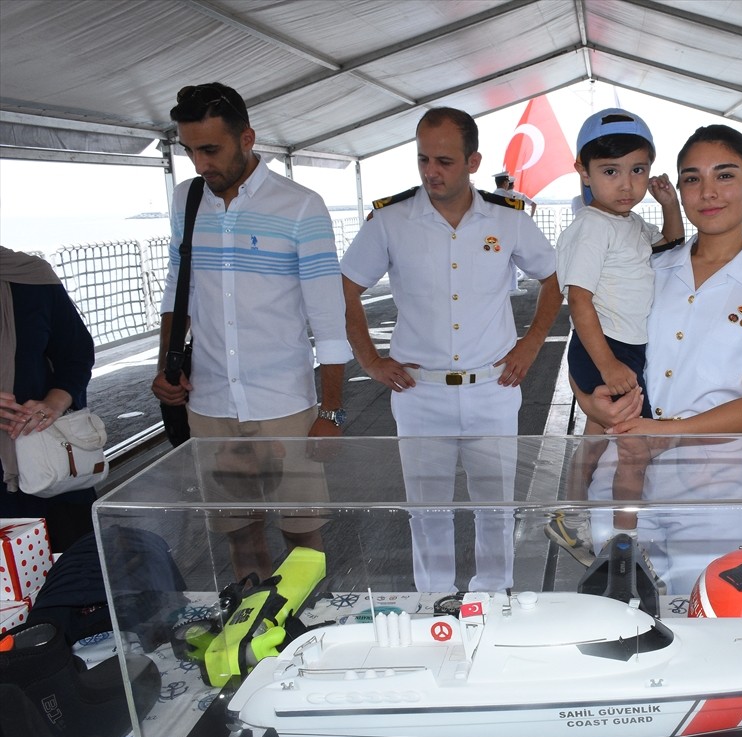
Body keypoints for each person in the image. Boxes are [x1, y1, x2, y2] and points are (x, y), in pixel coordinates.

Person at [565, 125, 742, 568]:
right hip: (620, 475)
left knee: (706, 606)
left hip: (716, 490)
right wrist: (591, 403)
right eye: (692, 178)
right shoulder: (648, 266)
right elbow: (588, 344)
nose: (708, 192)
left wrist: (660, 435)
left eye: (725, 175)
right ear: (679, 190)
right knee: (616, 604)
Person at [340, 106, 561, 593]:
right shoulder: (390, 220)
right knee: (427, 512)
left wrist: (531, 344)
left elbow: (553, 278)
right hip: (419, 393)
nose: (431, 172)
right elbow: (346, 286)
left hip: (492, 388)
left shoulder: (508, 219)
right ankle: (433, 604)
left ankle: (494, 600)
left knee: (496, 509)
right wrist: (370, 360)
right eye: (423, 159)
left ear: (473, 162)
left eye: (444, 161)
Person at [150, 83, 352, 581]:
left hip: (285, 403)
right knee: (238, 533)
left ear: (247, 139)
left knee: (303, 535)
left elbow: (329, 319)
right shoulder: (186, 200)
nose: (200, 164)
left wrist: (330, 412)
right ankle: (251, 622)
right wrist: (166, 365)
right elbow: (179, 287)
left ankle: (302, 623)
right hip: (210, 402)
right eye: (190, 150)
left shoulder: (301, 206)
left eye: (210, 149)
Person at [546, 108, 683, 553]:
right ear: (583, 171)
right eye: (610, 171)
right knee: (633, 450)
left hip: (621, 349)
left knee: (594, 440)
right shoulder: (591, 227)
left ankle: (569, 515)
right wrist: (608, 365)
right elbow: (578, 301)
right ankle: (626, 543)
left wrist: (670, 205)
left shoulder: (629, 223)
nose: (626, 184)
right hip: (606, 349)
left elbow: (671, 246)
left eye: (637, 170)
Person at [0, 248, 97, 552]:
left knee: (71, 565)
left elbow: (75, 353)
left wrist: (55, 402)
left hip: (42, 460)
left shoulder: (31, 277)